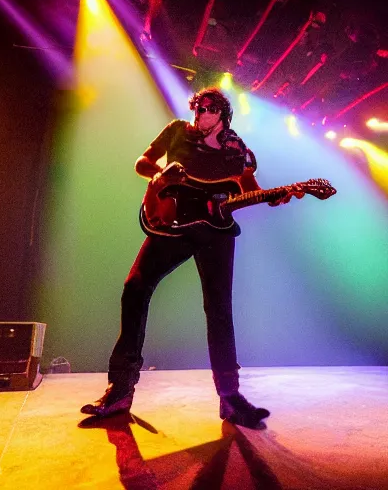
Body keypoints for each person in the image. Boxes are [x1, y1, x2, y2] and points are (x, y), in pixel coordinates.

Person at [81, 87, 294, 429]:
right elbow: (142, 161)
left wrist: (273, 197)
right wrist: (158, 175)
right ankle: (120, 388)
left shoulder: (237, 148)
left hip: (216, 231)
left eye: (208, 110)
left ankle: (230, 398)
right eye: (197, 108)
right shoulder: (178, 131)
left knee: (219, 309)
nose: (200, 115)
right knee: (135, 287)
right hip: (175, 225)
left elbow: (249, 188)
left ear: (223, 114)